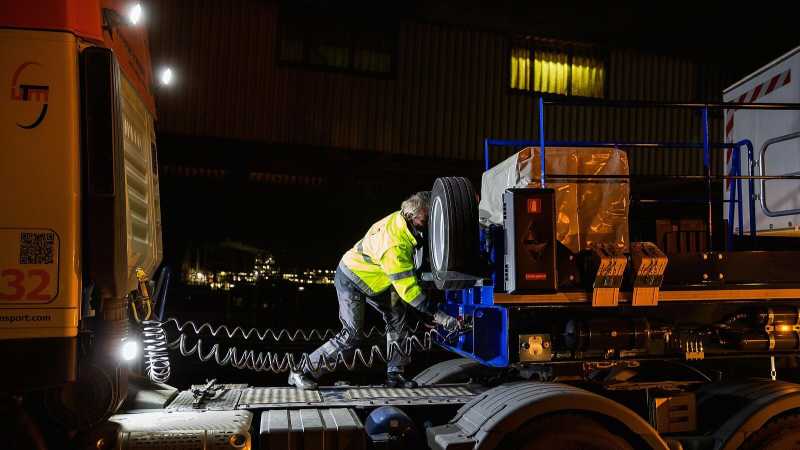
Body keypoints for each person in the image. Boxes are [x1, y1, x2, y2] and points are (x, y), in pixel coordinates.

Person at [288, 191, 460, 390]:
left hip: (378, 279)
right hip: (352, 277)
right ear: (414, 216)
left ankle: (395, 375)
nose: (432, 221)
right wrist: (439, 315)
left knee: (398, 317)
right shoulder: (394, 245)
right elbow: (410, 292)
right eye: (428, 217)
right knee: (352, 334)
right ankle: (302, 371)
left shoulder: (402, 218)